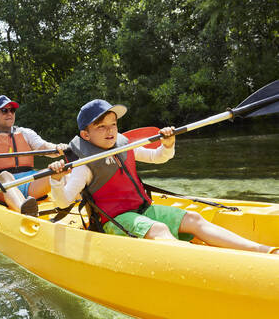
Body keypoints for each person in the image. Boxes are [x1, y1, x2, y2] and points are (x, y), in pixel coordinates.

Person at [47, 98, 279, 255]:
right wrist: (56, 180)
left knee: (194, 219)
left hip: (144, 210)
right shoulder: (83, 166)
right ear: (85, 135)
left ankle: (261, 251)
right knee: (159, 230)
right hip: (117, 221)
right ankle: (201, 263)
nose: (110, 131)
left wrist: (168, 144)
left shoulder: (124, 146)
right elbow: (62, 201)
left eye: (113, 125)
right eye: (101, 127)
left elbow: (158, 157)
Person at [0, 95, 67, 216]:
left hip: (29, 183)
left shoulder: (26, 133)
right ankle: (25, 209)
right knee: (6, 176)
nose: (9, 113)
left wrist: (58, 148)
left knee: (57, 170)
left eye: (12, 110)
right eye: (4, 110)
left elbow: (45, 148)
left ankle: (78, 202)